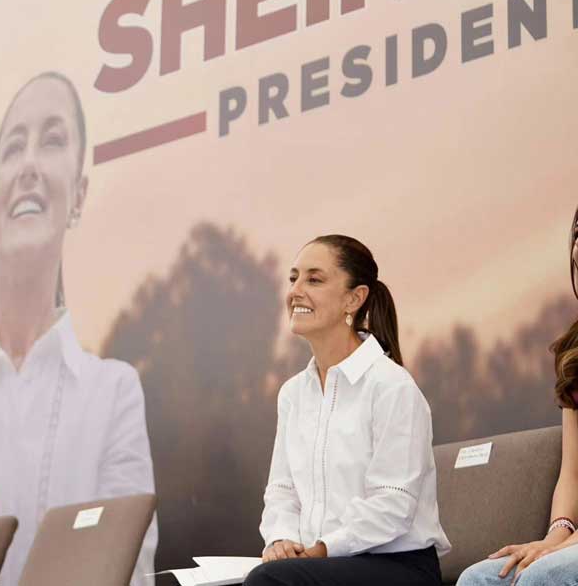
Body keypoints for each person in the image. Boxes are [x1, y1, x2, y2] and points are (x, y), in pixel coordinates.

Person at [0, 72, 156, 586]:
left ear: (78, 194)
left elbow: (129, 561)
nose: (29, 165)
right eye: (13, 148)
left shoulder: (112, 391)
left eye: (52, 141)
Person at [244, 235, 450, 586]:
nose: (296, 290)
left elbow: (392, 504)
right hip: (316, 566)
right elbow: (282, 490)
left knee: (272, 582)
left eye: (314, 279)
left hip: (399, 567)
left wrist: (323, 549)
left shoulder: (392, 387)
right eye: (293, 278)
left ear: (354, 298)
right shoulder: (293, 394)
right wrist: (280, 540)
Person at [454, 210, 578, 586]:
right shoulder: (573, 352)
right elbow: (572, 473)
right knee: (479, 578)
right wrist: (556, 535)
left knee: (545, 576)